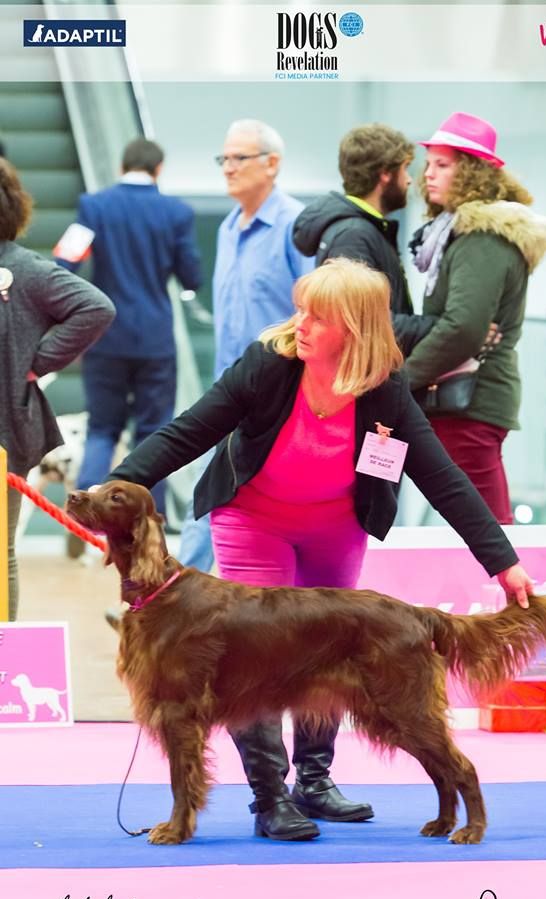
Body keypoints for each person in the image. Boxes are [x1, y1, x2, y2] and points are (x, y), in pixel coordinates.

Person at [105, 257, 534, 841]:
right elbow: (189, 431)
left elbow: (442, 478)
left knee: (329, 650)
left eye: (318, 317)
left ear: (354, 330)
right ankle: (270, 798)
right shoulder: (268, 366)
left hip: (335, 525)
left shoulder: (384, 390)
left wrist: (503, 563)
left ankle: (315, 781)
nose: (300, 324)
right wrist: (116, 490)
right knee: (253, 656)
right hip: (255, 519)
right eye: (301, 310)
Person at [402, 112, 546, 524]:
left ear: (471, 172)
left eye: (443, 164)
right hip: (463, 398)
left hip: (470, 399)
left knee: (488, 528)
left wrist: (400, 379)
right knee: (480, 523)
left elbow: (464, 328)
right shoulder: (458, 233)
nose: (428, 174)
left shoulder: (481, 238)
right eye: (429, 164)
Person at [178, 118, 314, 572]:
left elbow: (314, 309)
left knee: (273, 501)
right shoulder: (228, 228)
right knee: (207, 489)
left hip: (283, 393)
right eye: (224, 158)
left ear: (272, 163)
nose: (228, 167)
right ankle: (172, 595)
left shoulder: (297, 226)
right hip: (229, 386)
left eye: (239, 158)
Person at [56, 137, 202, 521]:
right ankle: (146, 522)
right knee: (154, 433)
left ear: (122, 167)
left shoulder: (94, 206)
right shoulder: (176, 213)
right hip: (155, 339)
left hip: (105, 336)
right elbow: (192, 275)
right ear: (159, 169)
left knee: (102, 429)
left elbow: (65, 262)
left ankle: (85, 518)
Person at [0, 158, 115, 619]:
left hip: (5, 430)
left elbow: (96, 307)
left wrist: (36, 361)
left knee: (1, 550)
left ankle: (4, 652)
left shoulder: (22, 268)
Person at [293, 123, 415, 314]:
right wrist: (441, 325)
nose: (409, 179)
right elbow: (362, 319)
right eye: (405, 168)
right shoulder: (352, 236)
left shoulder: (364, 229)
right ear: (385, 174)